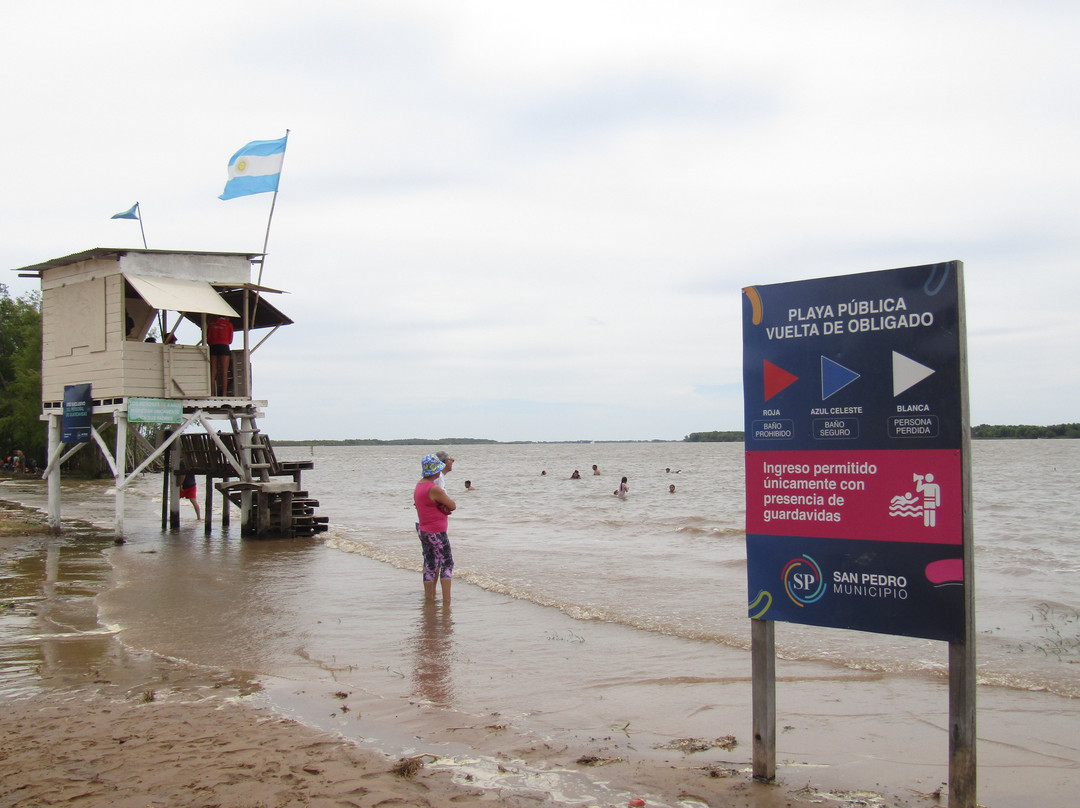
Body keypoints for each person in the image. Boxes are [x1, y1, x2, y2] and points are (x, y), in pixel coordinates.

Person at [414, 454, 457, 602]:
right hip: (436, 531)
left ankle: (429, 598)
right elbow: (452, 505)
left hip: (424, 530)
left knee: (430, 564)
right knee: (447, 563)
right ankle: (447, 601)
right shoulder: (434, 488)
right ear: (435, 471)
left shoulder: (419, 485)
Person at [208, 316, 235, 396]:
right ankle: (224, 394)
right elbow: (230, 340)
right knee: (224, 371)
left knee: (213, 371)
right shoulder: (228, 324)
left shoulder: (211, 324)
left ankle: (212, 393)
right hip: (223, 346)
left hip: (213, 346)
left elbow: (208, 339)